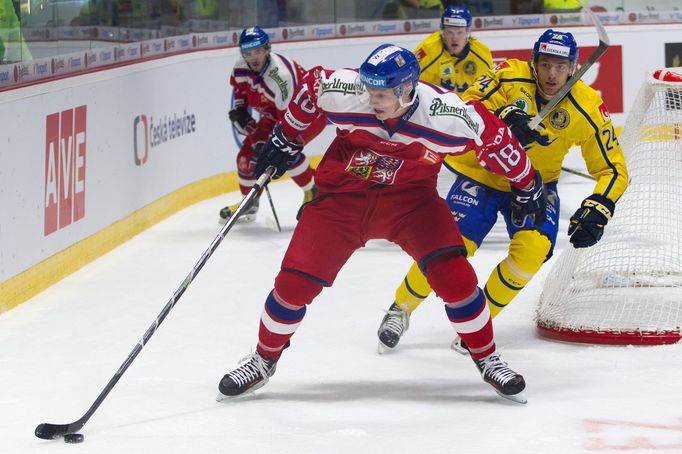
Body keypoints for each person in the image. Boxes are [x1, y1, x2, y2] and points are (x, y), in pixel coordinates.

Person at [216, 44, 548, 404]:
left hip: (411, 203)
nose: (371, 98)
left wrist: (528, 183)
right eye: (368, 88)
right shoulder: (348, 92)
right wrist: (287, 134)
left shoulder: (443, 115)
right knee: (293, 285)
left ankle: (487, 358)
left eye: (381, 93)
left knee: (456, 279)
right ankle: (264, 359)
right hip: (343, 198)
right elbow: (312, 87)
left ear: (407, 88)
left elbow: (494, 136)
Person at [376, 29, 628, 353]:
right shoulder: (507, 74)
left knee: (532, 253)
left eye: (561, 67)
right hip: (483, 174)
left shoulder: (588, 106)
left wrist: (599, 205)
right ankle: (401, 308)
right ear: (533, 62)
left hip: (536, 186)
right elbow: (463, 107)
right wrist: (505, 116)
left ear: (574, 67)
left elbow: (614, 168)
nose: (552, 74)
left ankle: (479, 322)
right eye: (546, 64)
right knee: (449, 248)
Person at [220, 26, 324, 224]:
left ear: (267, 48)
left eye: (258, 51)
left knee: (285, 152)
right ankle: (249, 202)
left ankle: (313, 191)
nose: (254, 57)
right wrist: (241, 110)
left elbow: (288, 123)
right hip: (274, 113)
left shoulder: (281, 77)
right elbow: (240, 90)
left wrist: (269, 143)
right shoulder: (241, 66)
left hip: (306, 114)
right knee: (246, 156)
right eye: (248, 53)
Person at [414, 5, 492, 95]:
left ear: (467, 33)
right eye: (450, 32)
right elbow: (411, 86)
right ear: (443, 32)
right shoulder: (428, 51)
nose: (455, 38)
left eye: (460, 32)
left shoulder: (482, 54)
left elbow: (491, 89)